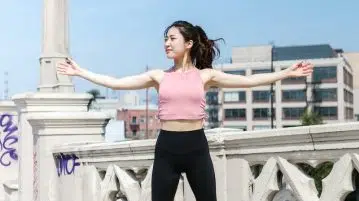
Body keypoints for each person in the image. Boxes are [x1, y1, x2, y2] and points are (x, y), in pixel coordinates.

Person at [57, 20, 313, 201]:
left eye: (172, 38)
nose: (167, 43)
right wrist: (81, 72)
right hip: (166, 147)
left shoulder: (205, 76)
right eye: (165, 39)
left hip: (196, 147)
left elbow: (249, 82)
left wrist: (288, 73)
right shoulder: (158, 76)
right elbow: (116, 82)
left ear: (188, 43)